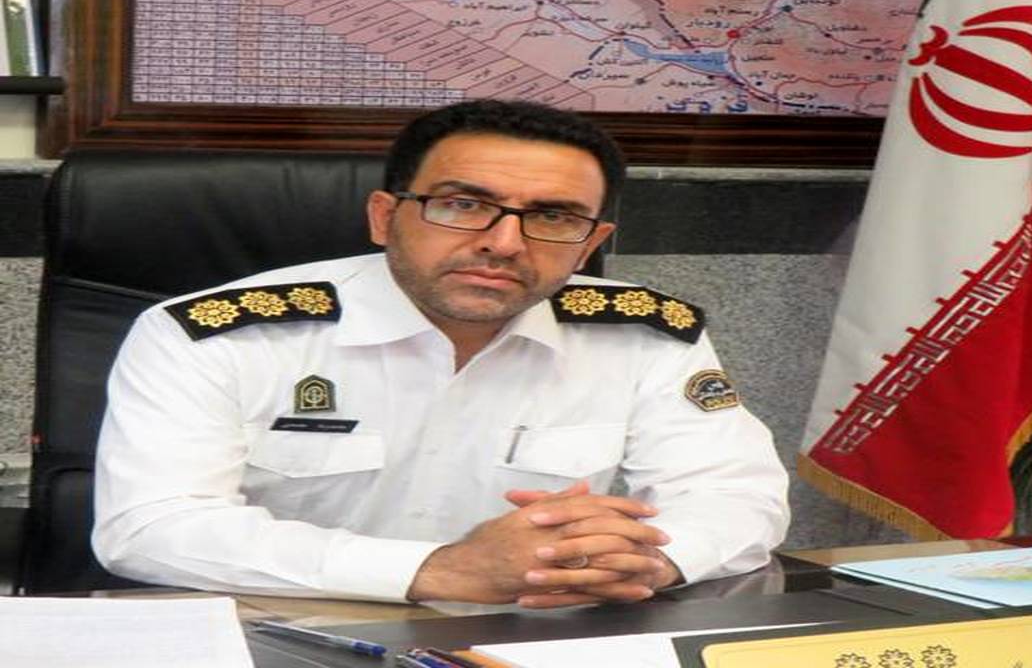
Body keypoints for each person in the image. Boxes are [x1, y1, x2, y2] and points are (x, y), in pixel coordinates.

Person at [92, 99, 790, 607]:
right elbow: (151, 528)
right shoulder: (219, 333)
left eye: (552, 216)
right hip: (282, 635)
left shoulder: (644, 333)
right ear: (384, 216)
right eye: (462, 205)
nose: (503, 243)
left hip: (538, 638)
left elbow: (735, 495)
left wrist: (647, 563)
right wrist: (443, 569)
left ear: (589, 244)